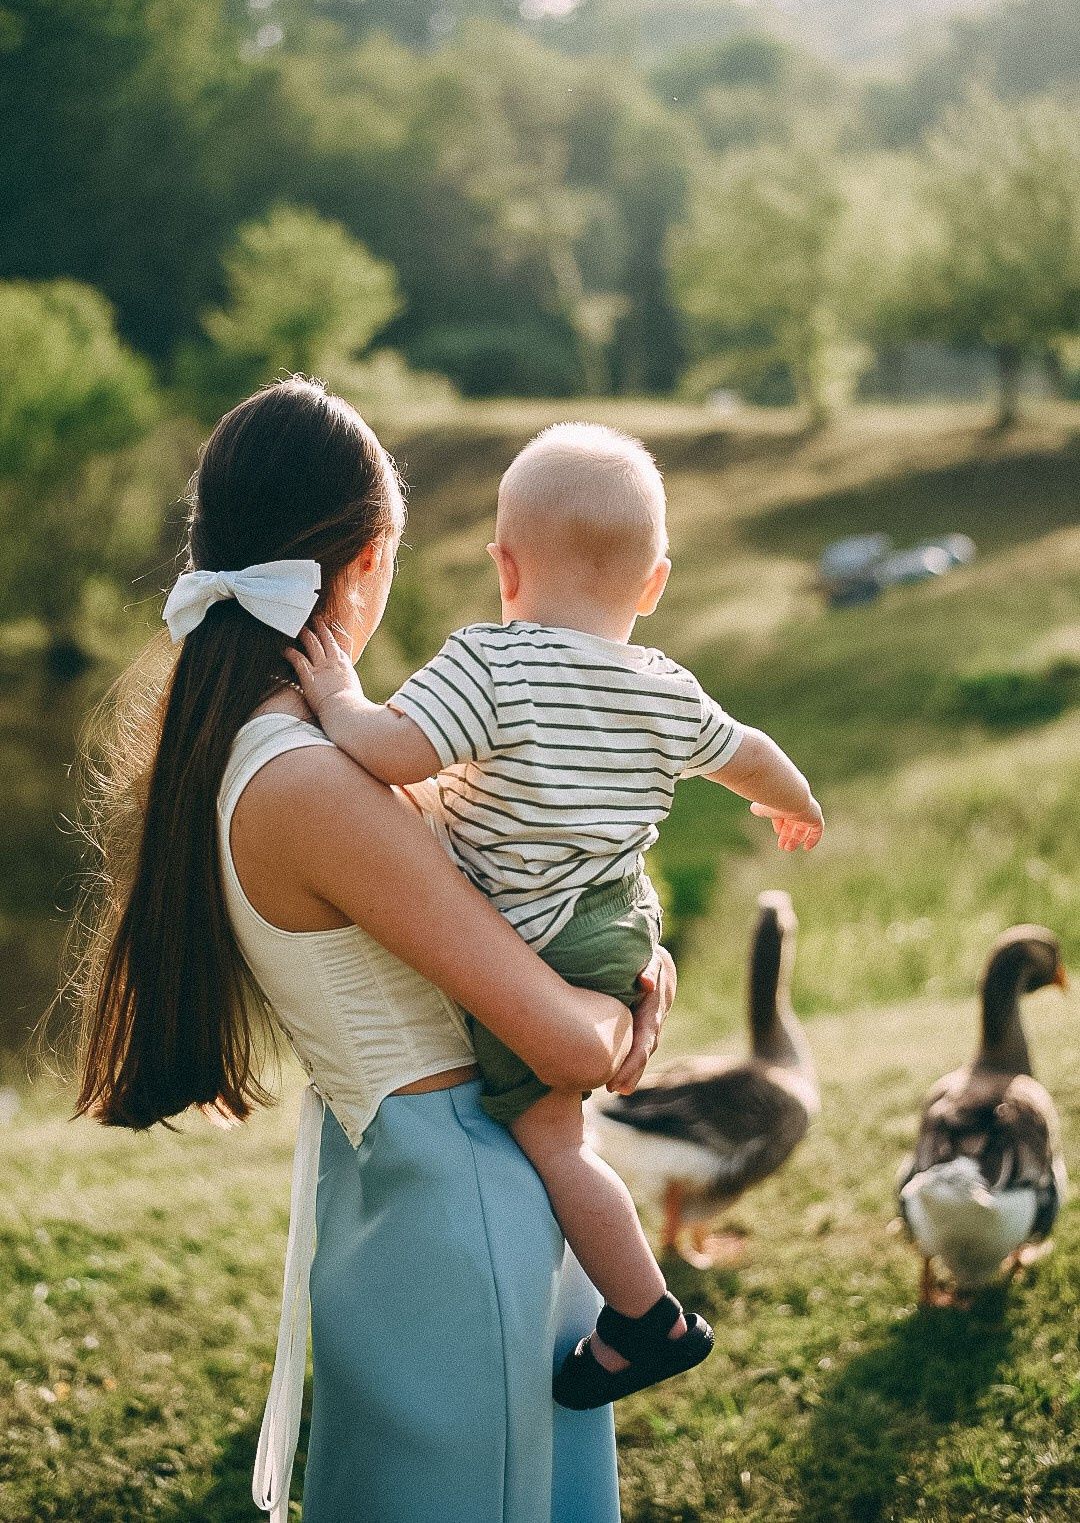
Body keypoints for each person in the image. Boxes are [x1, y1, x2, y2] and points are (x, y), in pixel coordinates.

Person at [72, 379, 679, 1523]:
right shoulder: (309, 781)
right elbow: (567, 1044)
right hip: (463, 1202)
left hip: (397, 1192)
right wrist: (629, 1010)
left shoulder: (258, 746)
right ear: (364, 561)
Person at [287, 421, 824, 1411]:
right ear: (653, 585)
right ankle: (631, 1305)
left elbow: (392, 753)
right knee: (565, 1132)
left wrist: (337, 696)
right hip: (619, 926)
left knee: (557, 1143)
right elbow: (748, 749)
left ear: (505, 566)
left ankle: (647, 1316)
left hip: (541, 935)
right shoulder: (666, 687)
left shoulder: (491, 663)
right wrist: (795, 804)